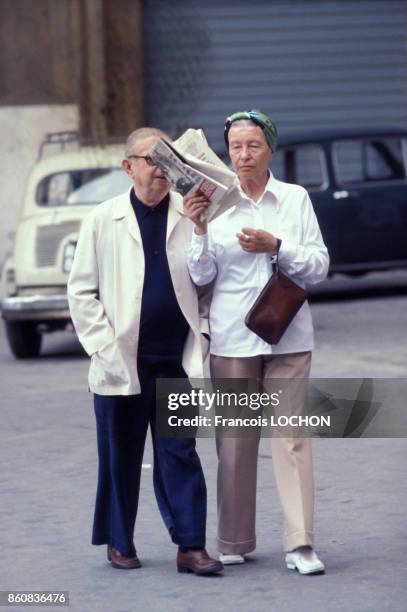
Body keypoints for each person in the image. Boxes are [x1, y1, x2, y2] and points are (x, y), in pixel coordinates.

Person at [67, 127, 223, 576]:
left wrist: (200, 229)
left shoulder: (188, 212)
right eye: (149, 158)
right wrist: (102, 347)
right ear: (128, 166)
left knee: (180, 453)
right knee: (120, 454)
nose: (158, 167)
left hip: (175, 359)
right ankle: (121, 542)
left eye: (166, 158)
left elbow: (206, 280)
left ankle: (191, 547)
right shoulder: (103, 218)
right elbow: (81, 292)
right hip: (123, 362)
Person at [183, 110, 329, 575]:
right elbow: (200, 276)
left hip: (288, 334)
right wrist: (200, 229)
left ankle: (300, 543)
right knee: (236, 441)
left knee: (291, 440)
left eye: (253, 146)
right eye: (236, 147)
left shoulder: (294, 198)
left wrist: (277, 245)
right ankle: (233, 539)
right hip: (232, 338)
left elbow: (319, 266)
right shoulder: (214, 201)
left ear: (270, 149)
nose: (243, 155)